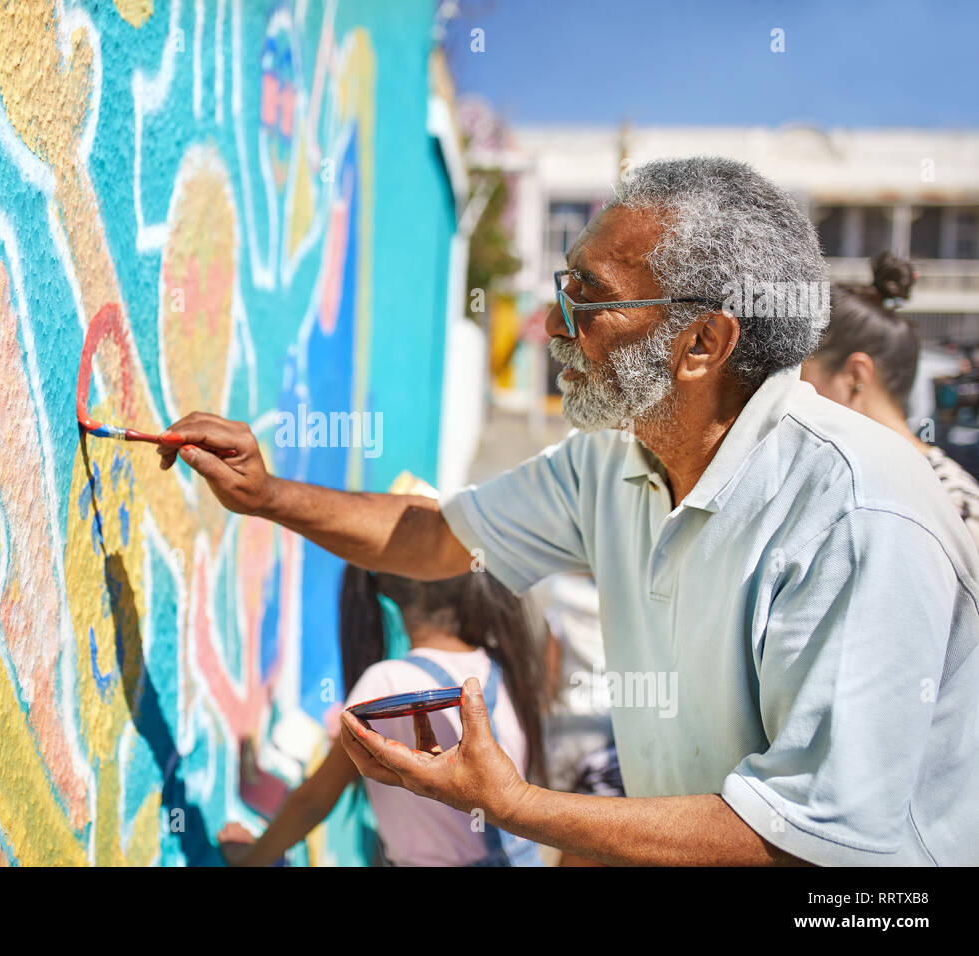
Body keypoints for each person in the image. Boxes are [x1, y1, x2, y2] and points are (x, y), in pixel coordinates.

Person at [163, 157, 979, 866]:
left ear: (703, 344)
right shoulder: (615, 457)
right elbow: (438, 535)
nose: (554, 325)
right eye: (565, 286)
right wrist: (267, 496)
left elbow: (803, 839)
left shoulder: (858, 513)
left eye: (589, 299)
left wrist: (515, 805)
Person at [217, 562, 547, 866]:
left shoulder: (387, 682)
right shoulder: (497, 667)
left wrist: (249, 858)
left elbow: (314, 801)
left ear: (389, 595)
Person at [801, 251, 979, 548]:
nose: (790, 397)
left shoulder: (948, 505)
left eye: (800, 378)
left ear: (855, 376)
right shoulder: (850, 480)